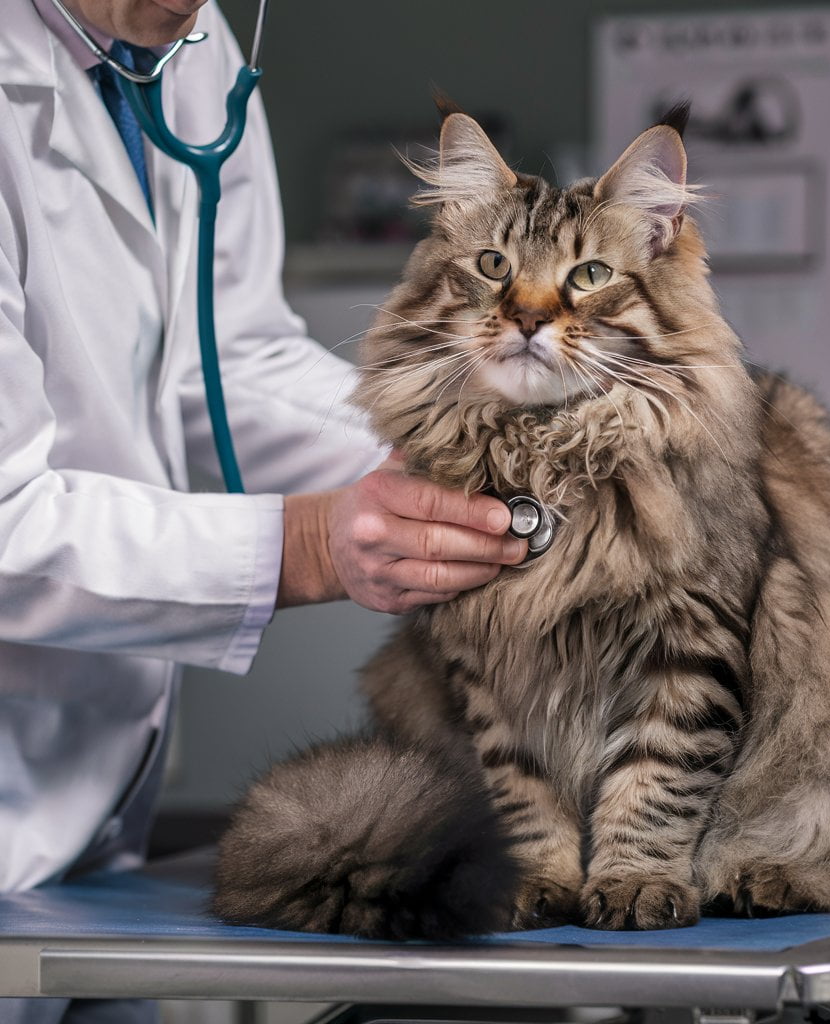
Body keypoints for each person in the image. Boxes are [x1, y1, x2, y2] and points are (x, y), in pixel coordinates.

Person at [0, 0, 528, 915]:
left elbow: (227, 352)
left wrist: (455, 448)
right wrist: (314, 544)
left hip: (99, 814)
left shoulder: (185, 39)